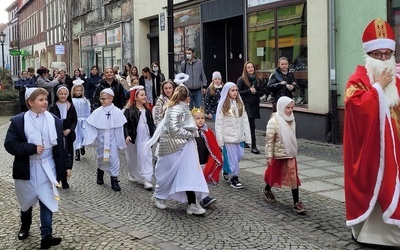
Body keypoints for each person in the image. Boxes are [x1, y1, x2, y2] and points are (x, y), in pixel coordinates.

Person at [343, 18, 400, 247]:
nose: (384, 59)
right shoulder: (358, 79)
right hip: (371, 153)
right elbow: (354, 107)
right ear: (369, 55)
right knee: (377, 187)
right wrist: (377, 88)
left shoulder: (397, 80)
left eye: (387, 54)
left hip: (396, 151)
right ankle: (371, 235)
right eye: (378, 55)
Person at [4, 87, 67, 249]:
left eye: (45, 99)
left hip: (48, 166)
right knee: (26, 200)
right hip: (28, 167)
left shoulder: (54, 120)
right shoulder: (19, 121)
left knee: (47, 199)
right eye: (40, 99)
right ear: (30, 102)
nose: (45, 102)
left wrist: (66, 166)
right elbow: (10, 145)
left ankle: (46, 235)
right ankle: (25, 226)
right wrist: (31, 148)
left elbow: (60, 147)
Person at [146, 84, 209, 215]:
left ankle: (192, 203)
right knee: (168, 174)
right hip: (173, 148)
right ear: (187, 98)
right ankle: (158, 196)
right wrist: (191, 134)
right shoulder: (175, 109)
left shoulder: (182, 108)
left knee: (189, 174)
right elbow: (174, 130)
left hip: (185, 147)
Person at [263, 96, 305, 215]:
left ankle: (296, 202)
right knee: (274, 175)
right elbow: (269, 141)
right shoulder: (274, 122)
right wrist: (269, 157)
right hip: (278, 154)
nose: (290, 110)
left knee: (293, 176)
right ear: (281, 107)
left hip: (290, 153)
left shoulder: (292, 119)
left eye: (292, 107)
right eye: (288, 108)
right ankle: (267, 189)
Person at [83, 88, 127, 191]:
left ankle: (114, 179)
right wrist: (90, 138)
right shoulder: (97, 112)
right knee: (102, 157)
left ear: (111, 99)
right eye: (101, 99)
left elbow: (119, 128)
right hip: (101, 139)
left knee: (113, 158)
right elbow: (91, 124)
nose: (102, 101)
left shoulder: (117, 112)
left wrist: (120, 141)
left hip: (112, 139)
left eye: (104, 99)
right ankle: (100, 171)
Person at [215, 82, 251, 189]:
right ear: (227, 92)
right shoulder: (223, 106)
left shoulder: (240, 104)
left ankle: (226, 169)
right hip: (229, 138)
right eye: (232, 90)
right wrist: (220, 141)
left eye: (236, 90)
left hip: (239, 137)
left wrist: (248, 138)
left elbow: (245, 121)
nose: (235, 92)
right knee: (233, 159)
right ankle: (234, 178)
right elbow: (219, 124)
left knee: (239, 156)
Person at [123, 85, 155, 190]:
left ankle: (147, 179)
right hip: (134, 136)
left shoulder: (147, 110)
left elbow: (151, 124)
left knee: (145, 155)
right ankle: (133, 172)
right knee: (133, 156)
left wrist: (153, 135)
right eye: (142, 95)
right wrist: (127, 135)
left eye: (145, 94)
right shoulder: (129, 111)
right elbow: (125, 124)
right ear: (136, 97)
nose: (145, 97)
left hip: (145, 136)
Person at [48, 85, 77, 189]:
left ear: (68, 95)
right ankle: (57, 178)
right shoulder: (53, 107)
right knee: (58, 156)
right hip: (57, 136)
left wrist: (69, 130)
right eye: (61, 94)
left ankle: (65, 178)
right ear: (57, 95)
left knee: (68, 156)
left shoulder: (71, 106)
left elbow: (74, 120)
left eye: (65, 94)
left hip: (68, 135)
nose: (63, 96)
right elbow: (50, 121)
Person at [192, 107, 221, 208]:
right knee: (196, 179)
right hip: (193, 161)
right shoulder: (190, 132)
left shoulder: (207, 132)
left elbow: (212, 146)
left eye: (202, 118)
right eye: (197, 118)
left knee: (202, 179)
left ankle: (202, 198)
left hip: (204, 160)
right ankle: (202, 198)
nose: (200, 120)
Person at [237, 61, 266, 154]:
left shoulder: (258, 79)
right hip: (246, 104)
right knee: (251, 123)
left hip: (255, 104)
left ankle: (246, 140)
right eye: (248, 67)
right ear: (245, 69)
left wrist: (255, 92)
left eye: (252, 67)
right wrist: (249, 91)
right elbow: (237, 93)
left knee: (251, 124)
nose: (250, 69)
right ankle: (253, 146)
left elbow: (262, 92)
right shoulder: (241, 79)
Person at [71, 79, 91, 161]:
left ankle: (83, 146)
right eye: (77, 90)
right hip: (76, 121)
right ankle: (77, 152)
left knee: (83, 135)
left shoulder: (85, 101)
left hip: (83, 120)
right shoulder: (72, 101)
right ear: (74, 91)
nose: (78, 92)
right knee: (76, 137)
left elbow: (87, 111)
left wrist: (88, 120)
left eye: (80, 90)